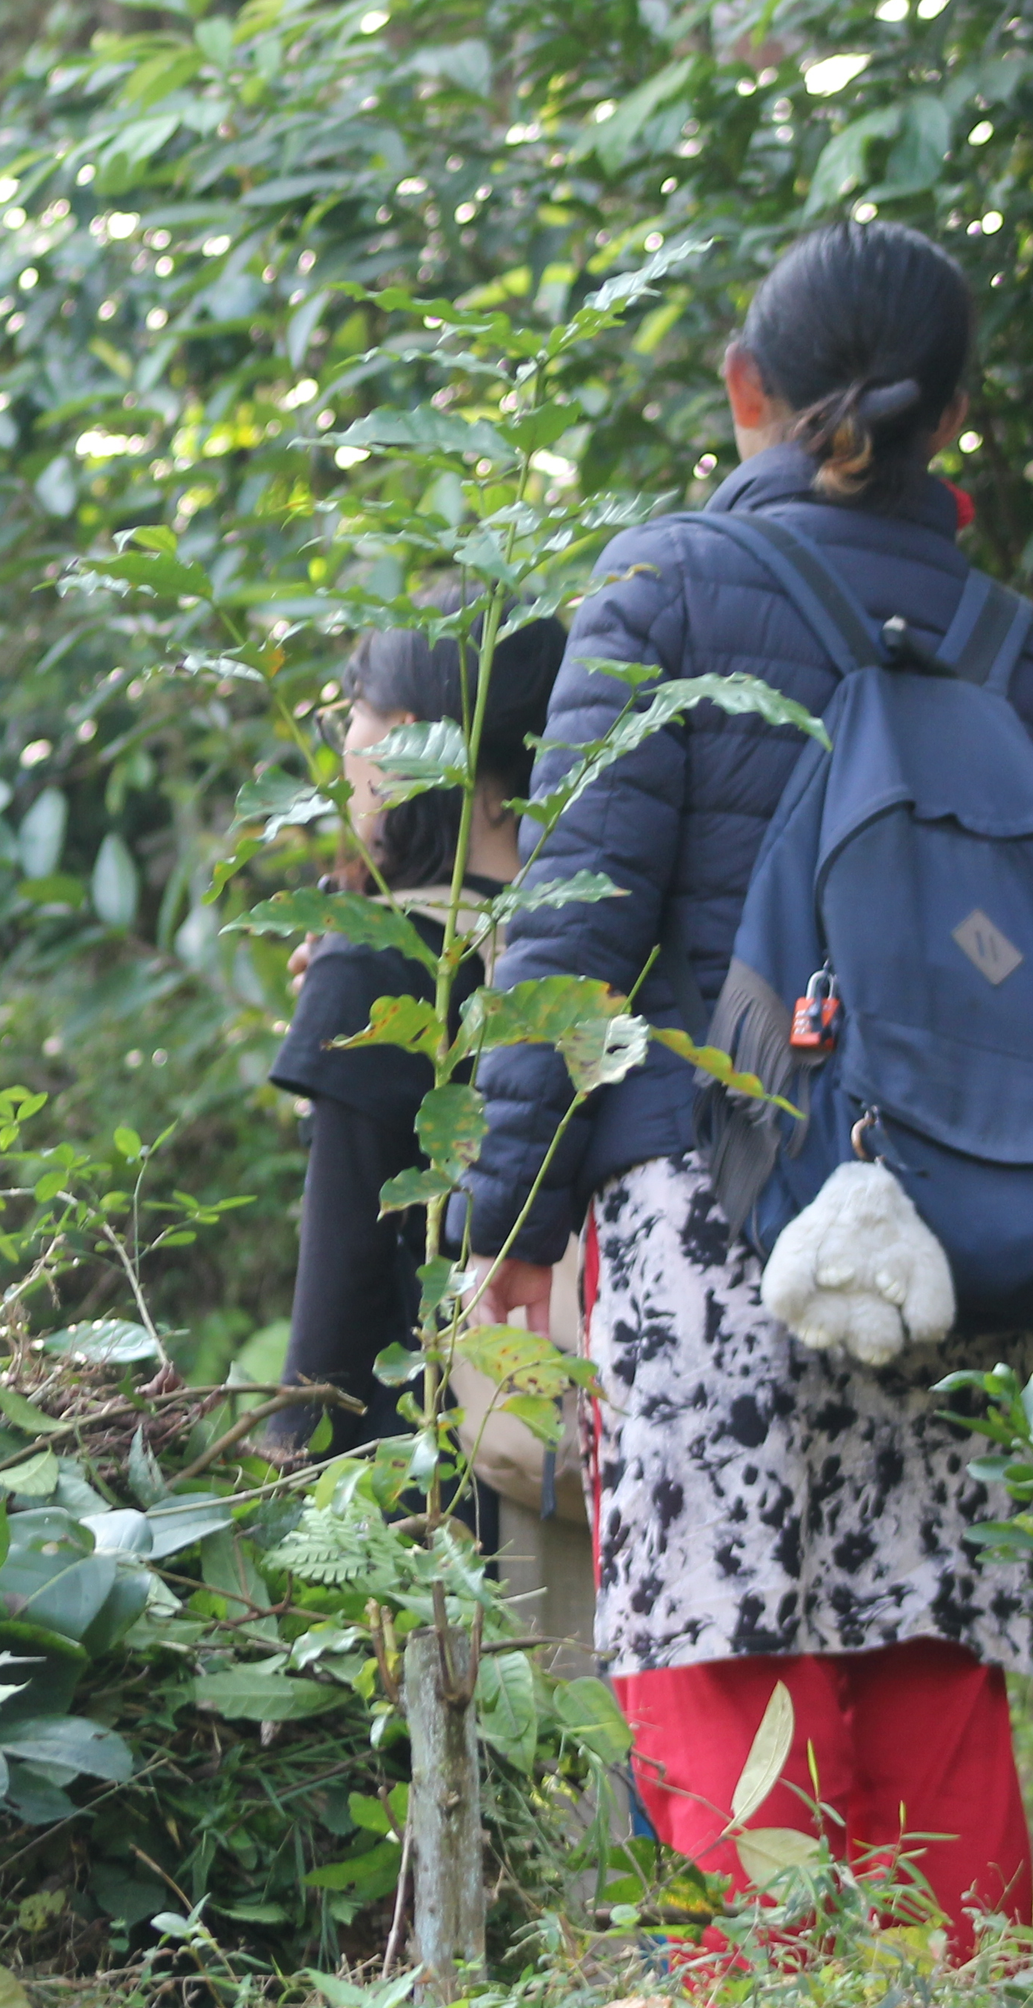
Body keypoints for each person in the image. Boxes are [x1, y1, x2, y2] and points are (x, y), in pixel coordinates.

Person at [459, 223, 1033, 1955]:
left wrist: (509, 1218)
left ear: (748, 391)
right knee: (928, 1654)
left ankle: (765, 1987)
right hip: (944, 1229)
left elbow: (570, 922)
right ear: (957, 412)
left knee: (729, 1668)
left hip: (700, 1211)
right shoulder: (1018, 652)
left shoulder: (660, 586)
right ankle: (968, 1985)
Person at [270, 604, 568, 1458]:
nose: (341, 744)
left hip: (424, 1496)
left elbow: (338, 1311)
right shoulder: (594, 954)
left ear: (404, 736)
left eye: (349, 714)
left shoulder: (375, 965)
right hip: (581, 1458)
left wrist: (288, 1470)